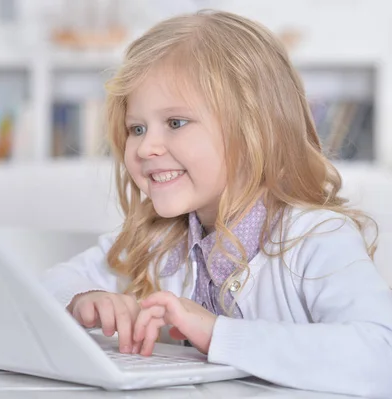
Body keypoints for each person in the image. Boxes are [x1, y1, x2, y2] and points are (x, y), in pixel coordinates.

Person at [40, 9, 392, 398]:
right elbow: (43, 286)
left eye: (175, 122)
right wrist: (82, 300)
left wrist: (217, 334)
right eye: (136, 128)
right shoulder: (157, 241)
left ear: (256, 127)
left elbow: (381, 357)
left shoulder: (316, 237)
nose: (144, 147)